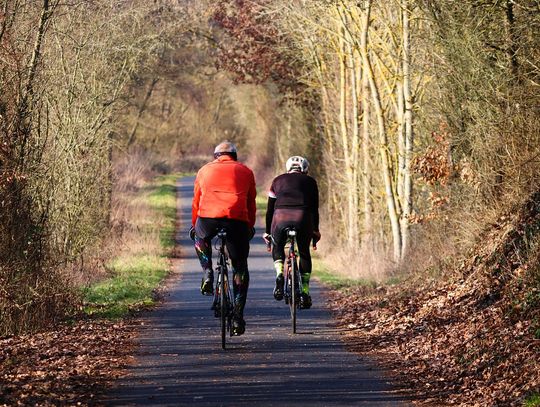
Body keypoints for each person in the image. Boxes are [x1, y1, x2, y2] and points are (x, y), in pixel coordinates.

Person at [190, 141, 256, 336]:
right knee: (240, 267)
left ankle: (208, 272)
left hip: (208, 218)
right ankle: (237, 316)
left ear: (215, 156)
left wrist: (196, 225)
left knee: (200, 237)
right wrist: (249, 226)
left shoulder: (204, 170)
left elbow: (196, 201)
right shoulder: (246, 171)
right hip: (236, 221)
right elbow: (250, 203)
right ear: (234, 155)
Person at [263, 156, 321, 309]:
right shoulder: (311, 182)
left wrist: (268, 232)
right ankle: (305, 291)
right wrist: (315, 230)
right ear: (305, 169)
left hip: (280, 217)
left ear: (288, 168)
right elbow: (315, 209)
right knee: (304, 252)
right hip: (303, 218)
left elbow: (270, 211)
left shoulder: (277, 180)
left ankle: (280, 273)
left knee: (278, 246)